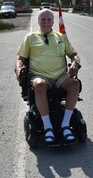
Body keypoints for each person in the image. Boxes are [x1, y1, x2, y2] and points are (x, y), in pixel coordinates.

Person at [15, 9, 81, 145]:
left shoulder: (61, 37)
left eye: (49, 19)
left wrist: (75, 62)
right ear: (38, 21)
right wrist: (18, 67)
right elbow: (20, 59)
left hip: (60, 76)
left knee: (75, 83)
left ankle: (65, 125)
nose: (46, 22)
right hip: (39, 76)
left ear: (53, 21)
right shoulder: (30, 38)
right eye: (43, 19)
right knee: (40, 84)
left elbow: (74, 54)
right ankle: (48, 128)